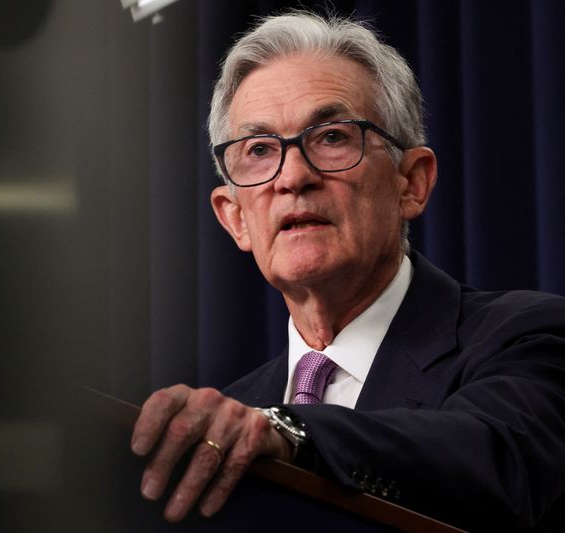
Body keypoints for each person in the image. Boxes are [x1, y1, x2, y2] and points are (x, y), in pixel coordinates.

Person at [130, 11, 565, 532]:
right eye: (260, 150)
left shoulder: (529, 337)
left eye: (332, 137)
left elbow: (493, 461)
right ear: (235, 218)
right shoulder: (228, 423)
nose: (293, 176)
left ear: (412, 183)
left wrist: (290, 432)